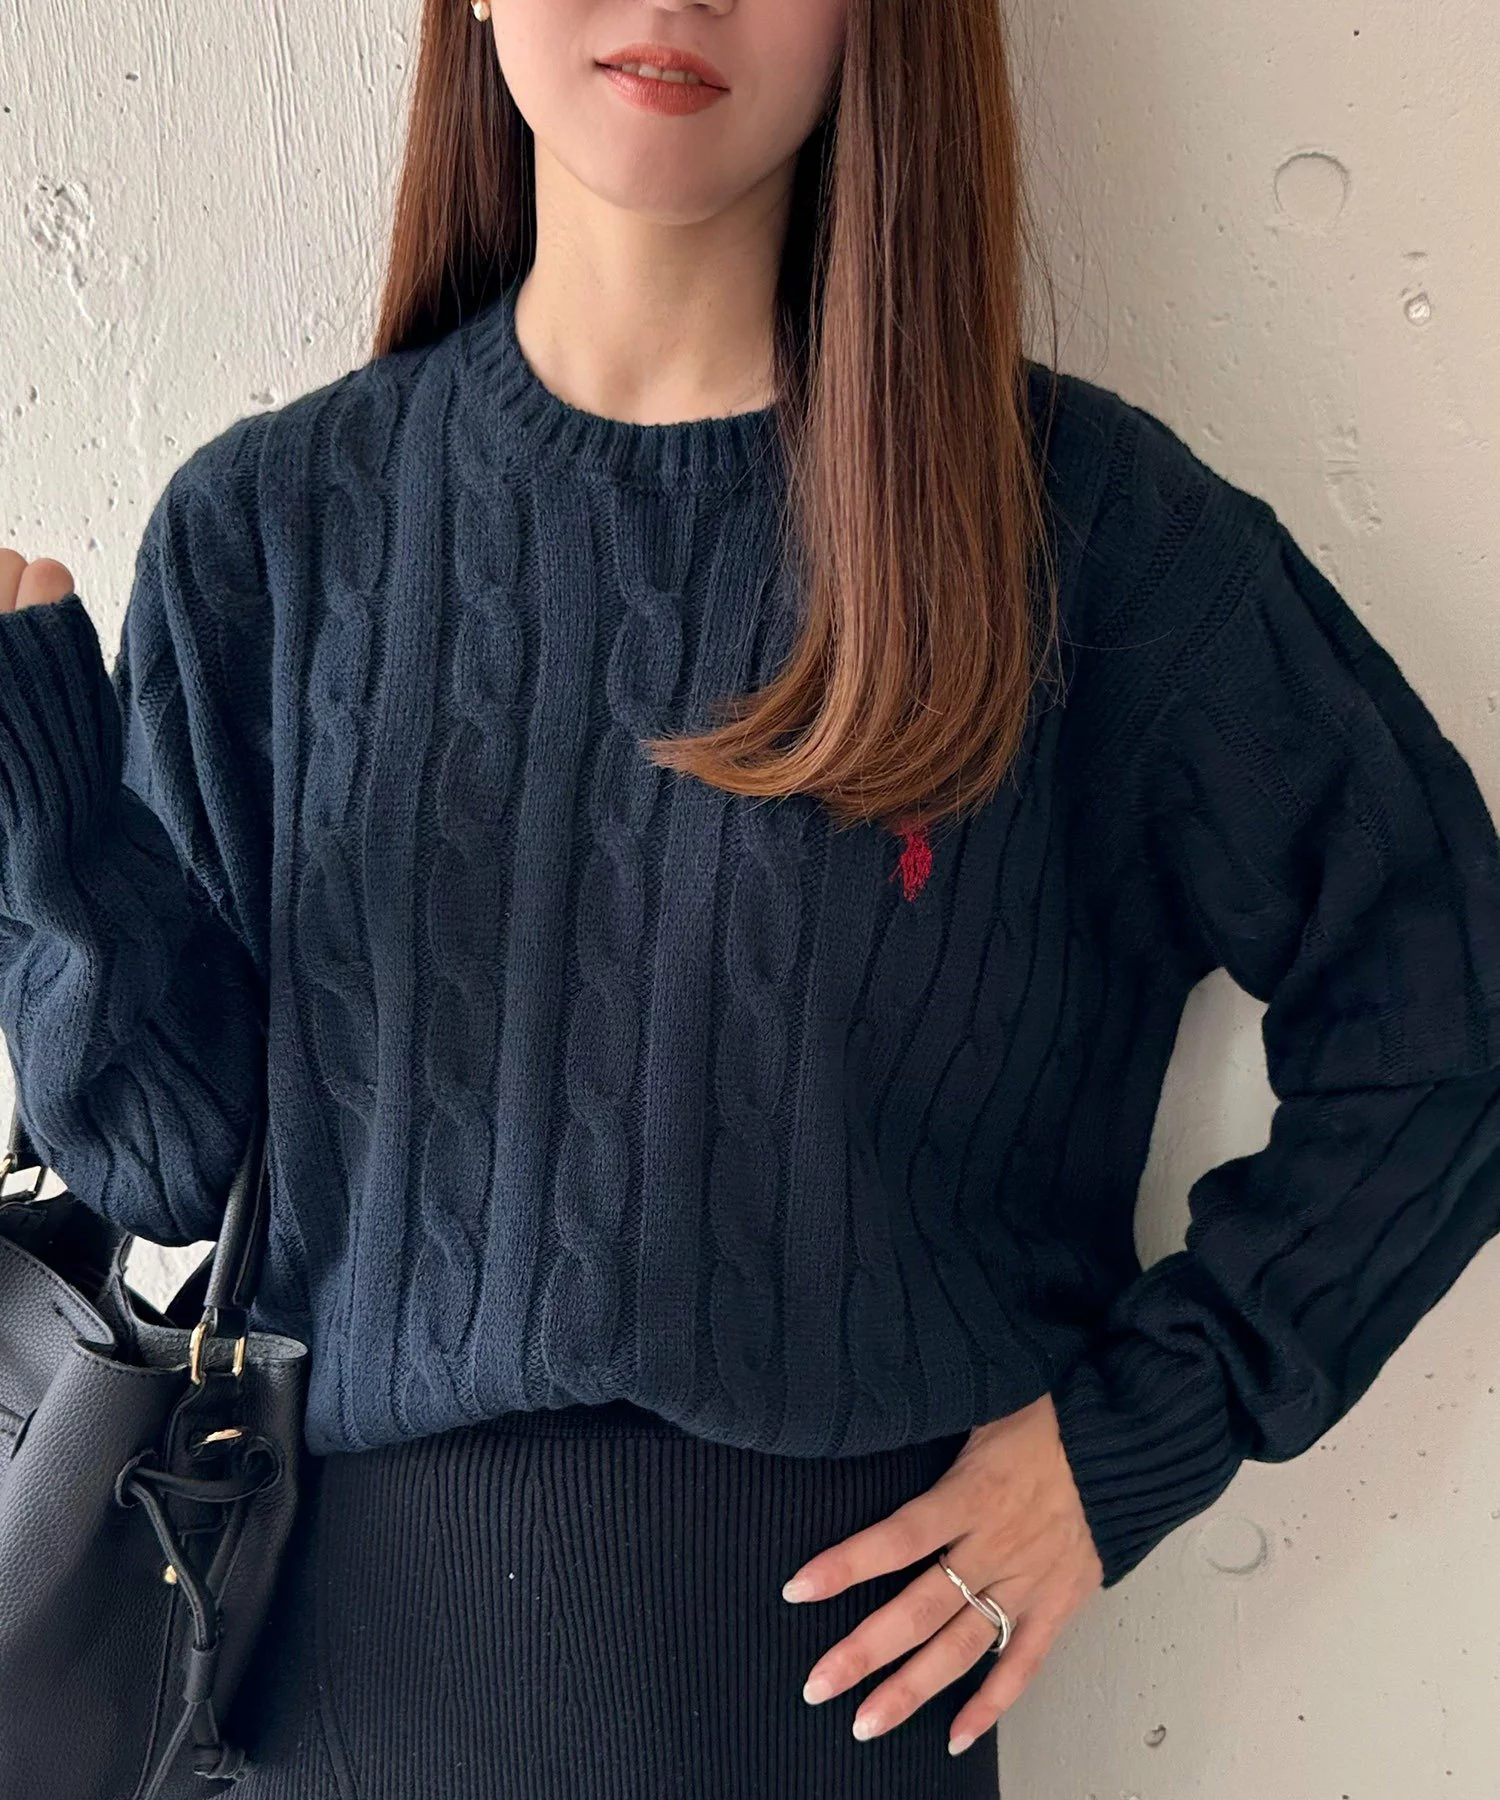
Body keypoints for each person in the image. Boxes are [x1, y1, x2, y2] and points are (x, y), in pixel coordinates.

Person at [2, 1, 1498, 1794]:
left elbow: (1449, 1016)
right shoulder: (270, 531)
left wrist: (1131, 1446)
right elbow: (160, 1166)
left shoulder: (1082, 538)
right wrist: (50, 817)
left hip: (831, 1710)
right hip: (331, 1709)